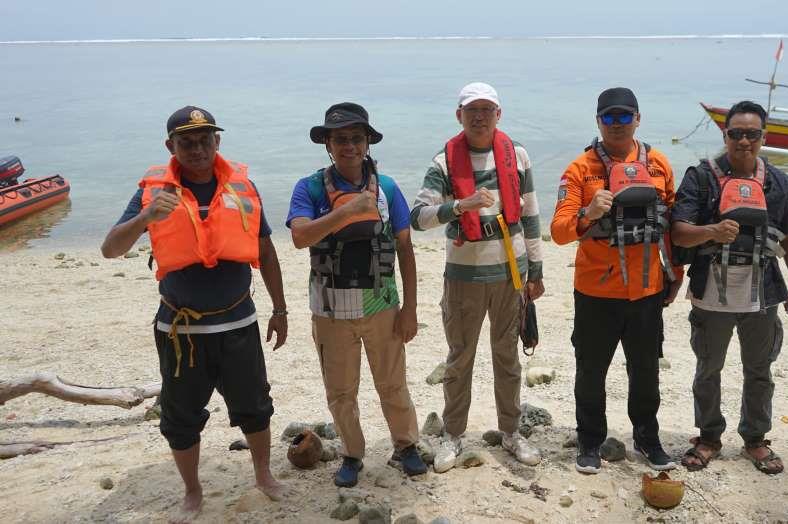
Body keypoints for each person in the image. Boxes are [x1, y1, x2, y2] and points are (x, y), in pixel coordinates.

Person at [100, 106, 289, 522]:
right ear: (171, 146)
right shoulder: (152, 193)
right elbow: (110, 248)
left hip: (239, 321)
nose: (198, 149)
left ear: (217, 142)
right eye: (187, 142)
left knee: (255, 405)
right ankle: (192, 491)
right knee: (181, 416)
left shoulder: (244, 187)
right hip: (180, 329)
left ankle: (263, 475)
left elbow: (266, 249)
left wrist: (280, 307)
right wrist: (147, 217)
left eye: (205, 140)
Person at [286, 102, 427, 487]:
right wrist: (347, 212)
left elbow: (404, 248)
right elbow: (300, 236)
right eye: (340, 139)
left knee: (392, 383)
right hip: (330, 311)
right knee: (341, 391)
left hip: (382, 305)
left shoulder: (389, 188)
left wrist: (410, 308)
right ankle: (352, 453)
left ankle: (406, 445)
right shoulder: (310, 188)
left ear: (367, 142)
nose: (349, 146)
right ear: (328, 145)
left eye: (356, 138)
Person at [410, 82, 544, 472]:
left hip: (510, 275)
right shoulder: (444, 161)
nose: (480, 116)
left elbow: (532, 215)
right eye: (472, 110)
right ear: (460, 116)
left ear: (498, 115)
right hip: (464, 277)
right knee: (460, 358)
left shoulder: (516, 154)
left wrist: (536, 270)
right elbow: (418, 217)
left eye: (487, 109)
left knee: (508, 357)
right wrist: (460, 205)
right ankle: (452, 435)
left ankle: (511, 432)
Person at [550, 87, 684, 475]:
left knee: (646, 370)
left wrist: (676, 274)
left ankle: (647, 437)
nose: (617, 124)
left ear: (638, 119)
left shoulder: (658, 164)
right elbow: (559, 232)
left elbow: (672, 225)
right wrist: (589, 212)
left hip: (647, 289)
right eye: (609, 118)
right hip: (595, 292)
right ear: (598, 122)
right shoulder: (580, 169)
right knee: (591, 371)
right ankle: (590, 441)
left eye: (625, 117)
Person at [670, 100, 788, 475]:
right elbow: (678, 232)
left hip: (763, 292)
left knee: (760, 369)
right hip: (710, 292)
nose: (743, 141)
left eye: (752, 134)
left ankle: (755, 439)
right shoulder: (701, 177)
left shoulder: (779, 182)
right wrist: (713, 231)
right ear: (725, 135)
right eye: (736, 133)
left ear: (764, 137)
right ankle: (709, 437)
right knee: (708, 368)